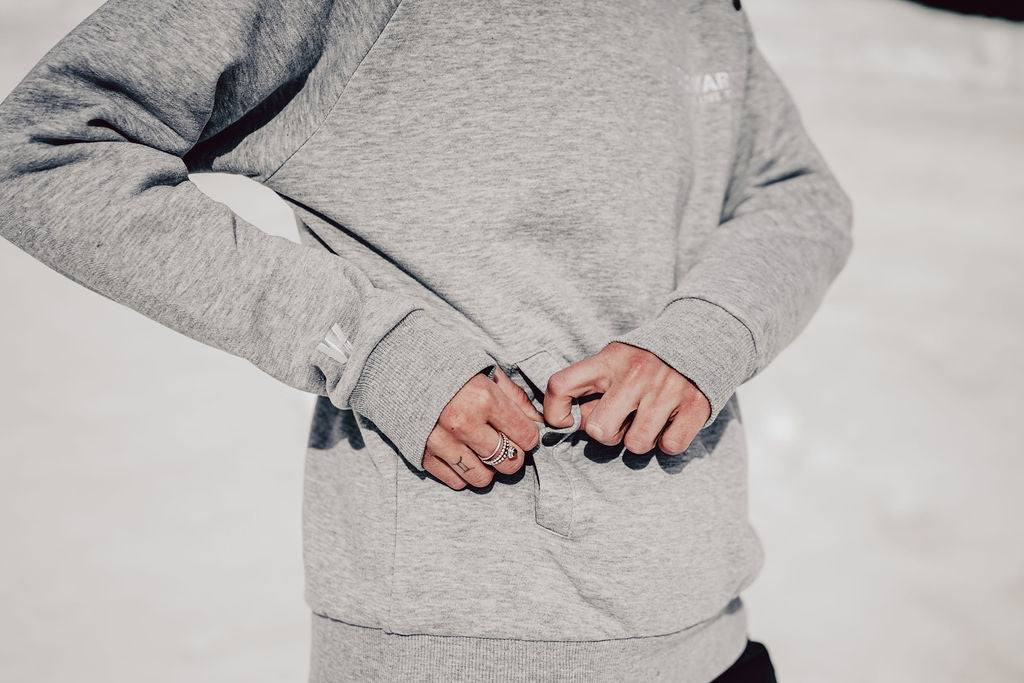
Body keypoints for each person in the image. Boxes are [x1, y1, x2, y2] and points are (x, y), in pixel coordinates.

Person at [0, 0, 852, 680]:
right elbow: (42, 147)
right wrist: (368, 346)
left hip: (711, 641)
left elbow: (795, 193)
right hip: (448, 655)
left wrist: (706, 334)